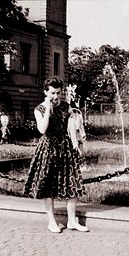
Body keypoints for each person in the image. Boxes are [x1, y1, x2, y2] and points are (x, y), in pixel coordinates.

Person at [24, 77, 88, 233]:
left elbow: (70, 127)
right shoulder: (39, 109)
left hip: (65, 148)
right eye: (52, 93)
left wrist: (76, 145)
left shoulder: (66, 107)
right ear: (46, 92)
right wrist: (47, 107)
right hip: (48, 149)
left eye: (58, 93)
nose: (55, 96)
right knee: (48, 186)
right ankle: (52, 222)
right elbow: (42, 129)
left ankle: (72, 221)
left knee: (73, 183)